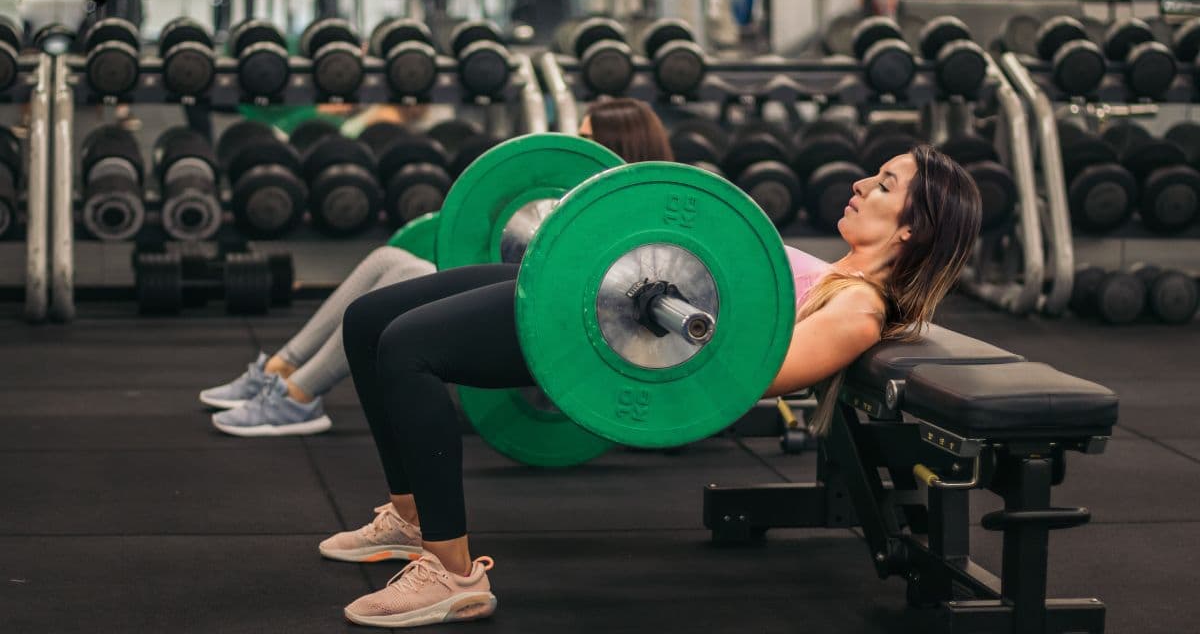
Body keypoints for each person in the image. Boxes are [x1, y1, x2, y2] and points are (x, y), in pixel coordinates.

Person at [323, 142, 982, 628]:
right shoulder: (836, 274)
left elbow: (754, 377)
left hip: (610, 333)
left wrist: (685, 312)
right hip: (605, 285)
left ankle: (451, 571)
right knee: (369, 320)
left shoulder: (859, 309)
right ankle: (409, 520)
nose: (862, 182)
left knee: (408, 350)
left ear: (910, 228)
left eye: (886, 184)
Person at [198, 97, 674, 436]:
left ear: (620, 150)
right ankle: (283, 371)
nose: (575, 147)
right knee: (389, 259)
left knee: (405, 275)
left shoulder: (639, 224)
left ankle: (299, 397)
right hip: (531, 300)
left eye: (587, 140)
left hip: (563, 329)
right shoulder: (584, 208)